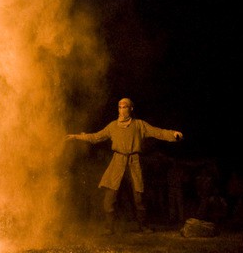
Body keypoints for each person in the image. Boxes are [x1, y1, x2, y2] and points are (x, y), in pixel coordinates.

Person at [66, 98, 183, 234]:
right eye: (119, 107)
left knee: (139, 197)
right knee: (109, 198)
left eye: (124, 107)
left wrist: (173, 134)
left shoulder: (139, 125)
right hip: (118, 161)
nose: (121, 110)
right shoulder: (112, 126)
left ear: (131, 109)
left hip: (134, 161)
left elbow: (158, 132)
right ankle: (109, 227)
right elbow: (95, 137)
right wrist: (76, 137)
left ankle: (143, 225)